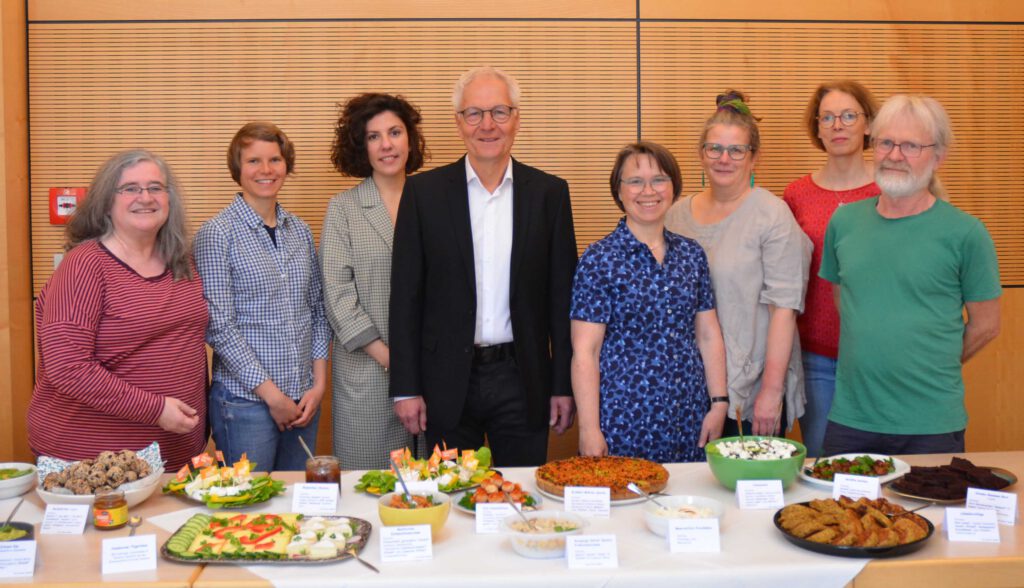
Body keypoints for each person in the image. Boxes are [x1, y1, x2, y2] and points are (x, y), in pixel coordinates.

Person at [389, 66, 578, 467]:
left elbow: (562, 300)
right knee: (453, 499)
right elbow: (406, 297)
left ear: (517, 119)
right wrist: (405, 388)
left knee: (521, 495)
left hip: (523, 378)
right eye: (474, 113)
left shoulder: (549, 194)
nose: (487, 125)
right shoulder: (424, 194)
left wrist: (563, 384)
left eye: (499, 112)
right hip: (445, 382)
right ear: (459, 123)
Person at [819, 95, 1001, 455]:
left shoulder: (966, 233)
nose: (895, 155)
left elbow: (986, 326)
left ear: (939, 156)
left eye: (911, 145)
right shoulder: (844, 222)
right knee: (833, 513)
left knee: (927, 514)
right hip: (852, 421)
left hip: (931, 423)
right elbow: (845, 301)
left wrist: (932, 361)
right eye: (886, 142)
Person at [28, 150, 207, 471]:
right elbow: (68, 368)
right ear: (106, 203)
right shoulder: (84, 265)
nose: (145, 197)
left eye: (156, 187)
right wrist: (155, 409)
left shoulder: (183, 262)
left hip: (174, 453)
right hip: (92, 461)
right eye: (130, 189)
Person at [665, 90, 811, 437]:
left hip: (751, 390)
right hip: (688, 388)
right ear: (702, 154)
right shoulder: (674, 216)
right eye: (715, 148)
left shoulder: (773, 215)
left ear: (753, 157)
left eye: (736, 150)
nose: (724, 158)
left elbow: (784, 310)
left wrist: (771, 392)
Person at [571, 142, 728, 462]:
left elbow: (708, 334)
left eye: (658, 180)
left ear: (673, 187)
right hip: (622, 419)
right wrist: (589, 428)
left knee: (688, 507)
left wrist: (720, 402)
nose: (648, 191)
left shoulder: (691, 254)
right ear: (619, 190)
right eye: (635, 181)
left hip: (689, 415)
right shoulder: (599, 259)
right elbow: (586, 352)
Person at [195, 122, 330, 471]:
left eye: (275, 159)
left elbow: (316, 309)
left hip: (304, 398)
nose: (266, 170)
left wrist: (318, 384)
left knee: (297, 504)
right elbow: (219, 326)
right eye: (254, 161)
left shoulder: (298, 229)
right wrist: (273, 397)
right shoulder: (216, 234)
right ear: (237, 169)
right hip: (246, 403)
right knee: (249, 509)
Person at [321, 93, 427, 469]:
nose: (386, 144)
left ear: (409, 139)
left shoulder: (434, 201)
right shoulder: (344, 209)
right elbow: (338, 297)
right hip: (368, 372)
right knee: (368, 487)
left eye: (395, 132)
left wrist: (416, 366)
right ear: (360, 146)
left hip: (430, 371)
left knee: (433, 485)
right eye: (373, 136)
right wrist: (393, 360)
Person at [783, 81, 879, 457]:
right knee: (824, 461)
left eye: (849, 115)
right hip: (815, 356)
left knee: (876, 465)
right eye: (827, 117)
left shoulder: (891, 191)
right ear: (817, 128)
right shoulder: (796, 195)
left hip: (877, 355)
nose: (838, 125)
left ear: (868, 125)